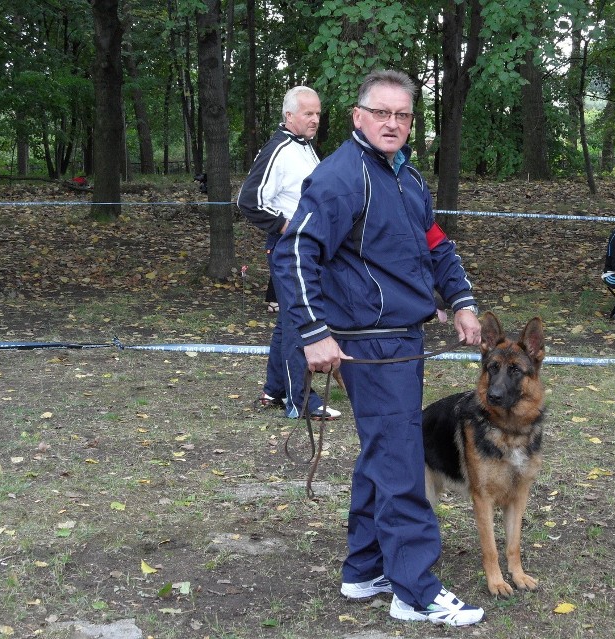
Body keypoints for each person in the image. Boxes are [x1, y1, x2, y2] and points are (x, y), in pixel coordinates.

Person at [272, 70, 484, 627]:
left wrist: (460, 299)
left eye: (403, 115)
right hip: (370, 345)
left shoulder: (405, 176)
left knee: (383, 452)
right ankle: (414, 590)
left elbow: (435, 243)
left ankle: (365, 568)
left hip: (403, 340)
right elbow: (293, 253)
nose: (393, 123)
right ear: (358, 116)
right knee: (399, 462)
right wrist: (314, 332)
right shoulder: (343, 177)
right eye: (382, 113)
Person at [236, 86, 340, 420]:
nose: (315, 120)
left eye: (318, 113)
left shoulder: (306, 148)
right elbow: (249, 201)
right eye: (308, 114)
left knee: (287, 321)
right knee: (299, 319)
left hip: (308, 249)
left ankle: (276, 389)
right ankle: (302, 401)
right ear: (289, 115)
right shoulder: (278, 149)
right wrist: (287, 227)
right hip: (289, 248)